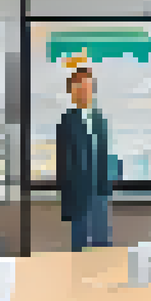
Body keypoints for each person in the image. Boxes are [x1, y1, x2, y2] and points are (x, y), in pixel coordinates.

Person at [56, 66, 117, 251]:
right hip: (78, 195)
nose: (84, 91)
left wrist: (107, 188)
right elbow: (63, 164)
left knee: (102, 245)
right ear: (71, 92)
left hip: (99, 194)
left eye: (87, 87)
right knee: (80, 246)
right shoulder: (67, 121)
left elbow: (104, 155)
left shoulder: (100, 120)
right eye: (79, 87)